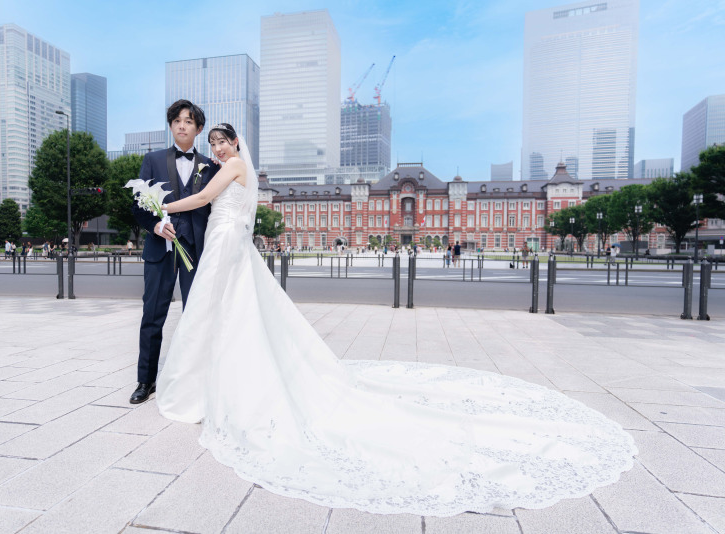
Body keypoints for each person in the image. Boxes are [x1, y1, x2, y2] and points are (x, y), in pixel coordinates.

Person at [155, 124, 637, 517]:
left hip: (227, 247)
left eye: (221, 141)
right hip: (227, 246)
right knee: (231, 316)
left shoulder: (230, 168)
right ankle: (224, 377)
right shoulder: (229, 169)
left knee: (231, 315)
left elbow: (202, 201)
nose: (216, 147)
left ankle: (223, 381)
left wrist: (160, 205)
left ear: (235, 144)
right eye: (211, 141)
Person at [129, 99, 219, 405]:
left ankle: (195, 380)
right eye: (177, 120)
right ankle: (146, 380)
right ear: (171, 125)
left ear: (198, 128)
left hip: (195, 252)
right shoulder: (152, 160)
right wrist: (155, 226)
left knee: (196, 316)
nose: (182, 125)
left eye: (189, 121)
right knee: (152, 316)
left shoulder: (211, 165)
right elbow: (137, 204)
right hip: (160, 251)